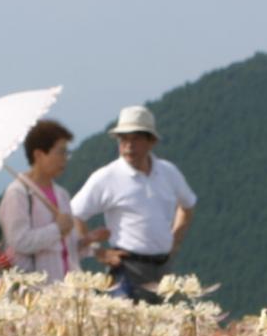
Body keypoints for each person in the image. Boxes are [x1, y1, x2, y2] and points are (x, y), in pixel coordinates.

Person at [69, 106, 196, 303]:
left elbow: (187, 206)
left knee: (163, 329)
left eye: (135, 138)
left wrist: (174, 241)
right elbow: (74, 214)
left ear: (151, 141)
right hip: (126, 269)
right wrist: (98, 251)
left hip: (164, 269)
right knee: (128, 330)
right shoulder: (106, 177)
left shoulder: (169, 172)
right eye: (123, 139)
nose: (128, 145)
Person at [0, 119, 104, 284]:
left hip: (65, 288)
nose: (65, 159)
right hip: (35, 290)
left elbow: (67, 247)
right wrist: (57, 229)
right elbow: (19, 241)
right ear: (39, 155)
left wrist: (85, 241)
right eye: (60, 152)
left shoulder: (61, 194)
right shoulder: (18, 193)